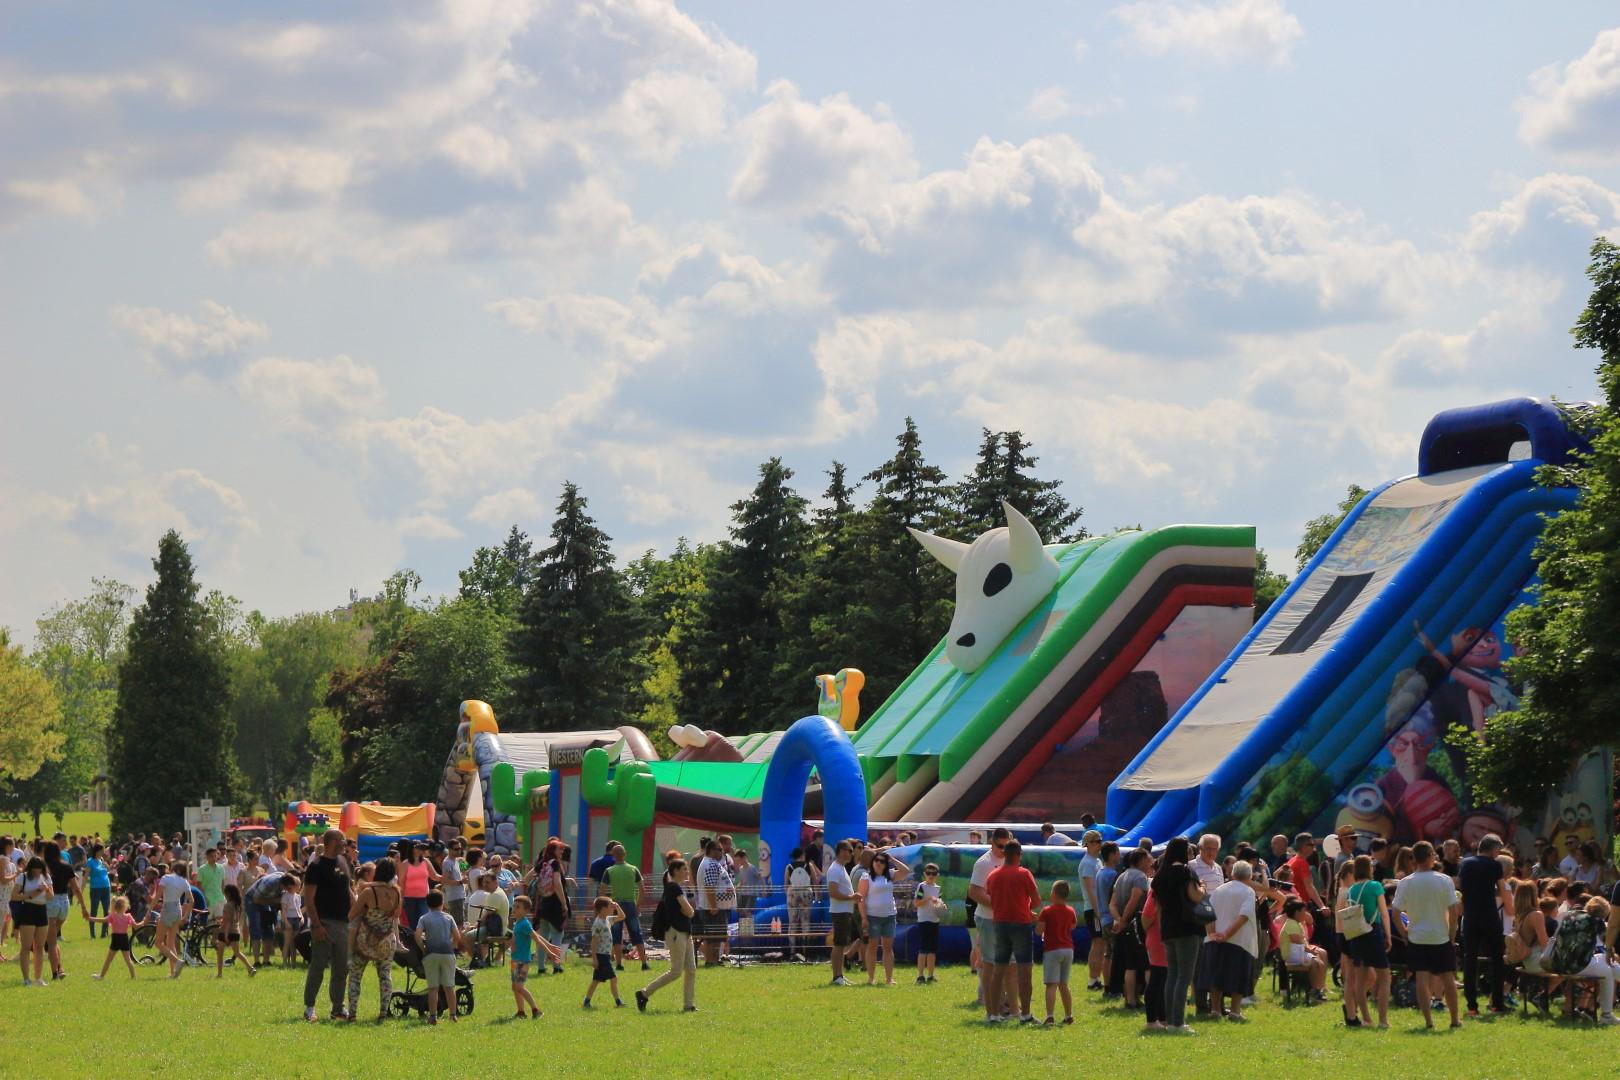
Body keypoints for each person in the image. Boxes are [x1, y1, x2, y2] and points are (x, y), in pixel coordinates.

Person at [1392, 840, 1461, 1029]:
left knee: (1422, 979)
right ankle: (1454, 1020)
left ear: (1414, 858)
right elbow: (1453, 911)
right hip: (1440, 935)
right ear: (1431, 856)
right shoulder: (1444, 880)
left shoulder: (1406, 882)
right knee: (1448, 979)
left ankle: (1429, 1021)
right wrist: (1452, 935)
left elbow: (1395, 912)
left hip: (1417, 936)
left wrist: (1404, 933)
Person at [1150, 836, 1204, 1035]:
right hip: (1187, 927)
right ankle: (1178, 1023)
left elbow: (1158, 906)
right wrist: (1203, 887)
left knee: (1172, 975)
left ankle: (1170, 1020)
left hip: (1167, 928)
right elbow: (1195, 896)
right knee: (1184, 976)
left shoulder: (1160, 876)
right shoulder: (1185, 872)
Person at [985, 839, 1042, 1024]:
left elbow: (992, 898)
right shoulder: (1024, 874)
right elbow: (1037, 901)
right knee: (1024, 970)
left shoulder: (993, 875)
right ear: (1019, 855)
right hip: (1021, 924)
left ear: (1004, 854)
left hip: (1000, 924)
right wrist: (1026, 909)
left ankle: (994, 1014)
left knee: (998, 970)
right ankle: (1025, 1014)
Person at [302, 829, 354, 1023]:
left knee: (341, 968)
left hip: (343, 924)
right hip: (323, 923)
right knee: (318, 966)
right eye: (342, 840)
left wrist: (358, 912)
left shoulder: (343, 862)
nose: (345, 844)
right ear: (332, 842)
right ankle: (309, 1007)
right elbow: (309, 899)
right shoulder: (316, 866)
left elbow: (349, 890)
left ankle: (337, 1008)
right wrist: (316, 926)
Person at [1458, 832, 1511, 1016]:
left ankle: (1472, 1006)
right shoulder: (1494, 865)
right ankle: (1497, 1003)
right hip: (1489, 914)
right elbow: (1502, 888)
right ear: (1494, 849)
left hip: (1470, 915)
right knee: (1497, 958)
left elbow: (1462, 886)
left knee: (1470, 959)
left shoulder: (1465, 863)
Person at [1545, 895, 1620, 1023]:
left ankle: (1606, 1015)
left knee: (1606, 961)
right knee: (1608, 970)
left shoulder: (1570, 916)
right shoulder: (1597, 921)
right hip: (1576, 965)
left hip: (1559, 963)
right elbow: (1608, 944)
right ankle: (1606, 1015)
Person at [637, 857, 697, 1012]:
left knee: (691, 969)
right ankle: (644, 993)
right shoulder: (674, 888)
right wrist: (688, 911)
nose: (687, 872)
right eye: (684, 869)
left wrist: (688, 911)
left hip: (685, 932)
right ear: (675, 871)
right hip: (676, 932)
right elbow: (689, 911)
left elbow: (688, 910)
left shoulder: (676, 888)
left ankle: (688, 1005)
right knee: (676, 971)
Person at [345, 857, 399, 1023]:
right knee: (385, 976)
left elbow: (351, 914)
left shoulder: (369, 892)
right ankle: (383, 1013)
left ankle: (352, 1014)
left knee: (355, 976)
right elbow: (396, 915)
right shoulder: (397, 892)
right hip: (387, 940)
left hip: (365, 940)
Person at [1207, 861, 1258, 1021]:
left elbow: (1209, 913)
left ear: (1232, 874)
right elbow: (1244, 916)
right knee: (1239, 976)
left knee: (1216, 976)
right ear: (1250, 876)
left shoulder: (1219, 890)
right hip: (1239, 940)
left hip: (1216, 939)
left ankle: (1215, 1010)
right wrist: (1227, 934)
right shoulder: (1248, 892)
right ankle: (1235, 1011)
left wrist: (1213, 933)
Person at [970, 827, 1011, 1011]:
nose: (1003, 850)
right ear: (991, 843)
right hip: (988, 918)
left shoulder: (1011, 859)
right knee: (990, 963)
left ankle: (1005, 1001)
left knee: (1007, 963)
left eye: (1007, 846)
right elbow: (974, 892)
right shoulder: (983, 863)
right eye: (1000, 846)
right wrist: (999, 905)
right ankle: (993, 1003)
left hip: (1007, 920)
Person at [413, 891, 464, 1025]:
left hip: (431, 954)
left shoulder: (424, 918)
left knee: (433, 988)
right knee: (449, 986)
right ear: (442, 903)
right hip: (447, 954)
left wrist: (423, 948)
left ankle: (433, 1016)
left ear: (427, 904)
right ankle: (453, 1015)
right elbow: (457, 936)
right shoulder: (449, 918)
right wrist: (452, 945)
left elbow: (417, 935)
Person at [1109, 848, 1151, 1008]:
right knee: (1145, 964)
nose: (1150, 862)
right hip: (1136, 924)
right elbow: (1135, 898)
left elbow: (1112, 903)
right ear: (1141, 860)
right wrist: (1125, 920)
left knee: (1129, 964)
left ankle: (1130, 999)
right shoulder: (1140, 877)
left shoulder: (1121, 876)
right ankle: (1150, 999)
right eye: (1148, 859)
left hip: (1123, 926)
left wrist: (1118, 919)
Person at [857, 849, 901, 986]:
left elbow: (906, 871)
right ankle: (871, 978)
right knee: (872, 947)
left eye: (882, 861)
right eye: (876, 860)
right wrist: (864, 917)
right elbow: (861, 899)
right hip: (873, 916)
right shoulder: (866, 877)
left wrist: (892, 860)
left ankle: (889, 978)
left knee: (888, 947)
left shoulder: (890, 875)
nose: (878, 863)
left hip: (889, 915)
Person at [602, 844, 649, 971]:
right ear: (625, 854)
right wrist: (638, 905)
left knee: (616, 935)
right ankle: (644, 963)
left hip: (616, 906)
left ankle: (619, 964)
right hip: (630, 905)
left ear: (613, 855)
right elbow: (642, 890)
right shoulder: (633, 869)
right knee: (636, 933)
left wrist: (607, 907)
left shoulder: (609, 871)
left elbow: (602, 892)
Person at [1036, 879, 1077, 1025]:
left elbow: (1039, 930)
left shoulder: (1046, 911)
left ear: (1053, 893)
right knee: (1063, 984)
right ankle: (1068, 1015)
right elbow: (1073, 926)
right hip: (1068, 949)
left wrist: (1038, 922)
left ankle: (1050, 1016)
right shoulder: (1071, 911)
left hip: (1052, 950)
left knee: (1051, 984)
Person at [1279, 897, 1328, 997]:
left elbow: (1302, 943)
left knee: (1320, 959)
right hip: (1291, 956)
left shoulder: (1296, 923)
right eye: (1303, 911)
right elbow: (1298, 943)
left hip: (1297, 953)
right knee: (1316, 962)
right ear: (1297, 912)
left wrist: (1311, 950)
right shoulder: (1291, 924)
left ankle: (1318, 989)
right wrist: (1311, 951)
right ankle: (1315, 990)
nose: (1305, 914)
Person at [15, 856, 52, 986]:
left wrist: (47, 889)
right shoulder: (23, 877)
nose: (37, 872)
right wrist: (32, 894)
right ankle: (26, 979)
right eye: (35, 869)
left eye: (40, 869)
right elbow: (14, 896)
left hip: (42, 910)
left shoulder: (46, 877)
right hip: (28, 910)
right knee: (26, 946)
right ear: (30, 868)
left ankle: (38, 978)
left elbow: (50, 897)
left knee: (40, 947)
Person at [583, 896, 626, 1008]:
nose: (612, 908)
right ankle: (618, 1002)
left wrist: (617, 906)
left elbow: (622, 916)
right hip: (601, 956)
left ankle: (586, 1001)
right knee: (613, 978)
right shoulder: (598, 923)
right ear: (603, 909)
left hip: (605, 956)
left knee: (596, 980)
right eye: (610, 906)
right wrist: (594, 959)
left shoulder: (608, 920)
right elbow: (594, 942)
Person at [826, 840, 858, 986]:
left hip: (845, 910)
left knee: (842, 944)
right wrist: (851, 897)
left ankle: (840, 975)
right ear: (841, 851)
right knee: (839, 944)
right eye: (849, 850)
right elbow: (833, 892)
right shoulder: (834, 869)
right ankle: (836, 977)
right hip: (840, 911)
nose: (851, 854)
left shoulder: (841, 868)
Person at [155, 859, 193, 980]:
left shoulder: (166, 878)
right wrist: (185, 917)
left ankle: (177, 961)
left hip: (168, 908)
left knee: (158, 943)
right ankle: (173, 973)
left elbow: (157, 896)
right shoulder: (184, 881)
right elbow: (191, 901)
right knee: (171, 944)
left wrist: (149, 910)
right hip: (178, 910)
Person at [1076, 830, 1103, 989]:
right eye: (1095, 841)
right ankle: (1092, 980)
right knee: (1097, 943)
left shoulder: (1096, 861)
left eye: (1100, 841)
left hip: (1098, 907)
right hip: (1093, 908)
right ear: (1087, 844)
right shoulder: (1087, 863)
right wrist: (1097, 910)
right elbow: (1090, 889)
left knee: (1101, 943)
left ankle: (1097, 978)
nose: (1099, 844)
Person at [87, 895, 138, 980]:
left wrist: (91, 918)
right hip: (124, 939)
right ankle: (133, 977)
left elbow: (102, 920)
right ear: (125, 906)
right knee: (128, 960)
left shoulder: (113, 916)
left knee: (109, 960)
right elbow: (136, 926)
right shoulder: (128, 916)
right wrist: (145, 921)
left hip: (116, 939)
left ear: (115, 907)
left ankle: (101, 976)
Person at [212, 882, 256, 978]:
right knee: (237, 953)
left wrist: (226, 934)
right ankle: (250, 968)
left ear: (228, 894)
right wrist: (222, 921)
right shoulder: (238, 906)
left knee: (220, 953)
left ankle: (219, 974)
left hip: (226, 931)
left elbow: (227, 921)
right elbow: (233, 919)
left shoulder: (227, 905)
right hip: (236, 931)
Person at [914, 862, 944, 984]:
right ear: (924, 874)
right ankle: (920, 976)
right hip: (924, 920)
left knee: (932, 950)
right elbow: (917, 903)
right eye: (928, 873)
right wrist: (929, 898)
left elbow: (939, 903)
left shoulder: (938, 888)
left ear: (937, 875)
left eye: (933, 873)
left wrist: (942, 906)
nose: (931, 876)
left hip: (935, 920)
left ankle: (931, 975)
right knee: (923, 949)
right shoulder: (922, 886)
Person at [399, 842, 439, 930]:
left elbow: (434, 876)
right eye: (418, 847)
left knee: (424, 920)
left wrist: (446, 878)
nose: (420, 850)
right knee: (412, 923)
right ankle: (414, 938)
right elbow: (401, 882)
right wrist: (401, 898)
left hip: (424, 897)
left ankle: (421, 937)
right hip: (409, 897)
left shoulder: (426, 861)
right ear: (412, 849)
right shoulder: (405, 864)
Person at [84, 843, 112, 937]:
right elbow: (86, 876)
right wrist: (81, 889)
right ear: (97, 851)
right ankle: (92, 934)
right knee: (94, 911)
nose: (104, 852)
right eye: (103, 850)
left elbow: (107, 872)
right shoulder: (90, 861)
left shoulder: (102, 860)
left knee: (106, 911)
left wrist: (107, 865)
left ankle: (104, 933)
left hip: (106, 888)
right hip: (95, 889)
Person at [280, 871, 305, 966]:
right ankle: (284, 963)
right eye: (298, 884)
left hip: (296, 919)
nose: (299, 886)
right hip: (289, 919)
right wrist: (286, 922)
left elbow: (298, 908)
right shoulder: (285, 896)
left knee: (293, 943)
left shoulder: (298, 897)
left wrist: (301, 917)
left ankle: (293, 963)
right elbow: (283, 910)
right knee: (287, 942)